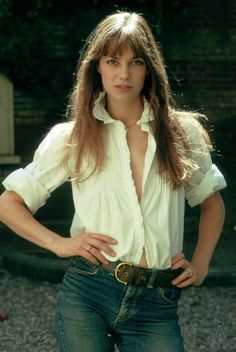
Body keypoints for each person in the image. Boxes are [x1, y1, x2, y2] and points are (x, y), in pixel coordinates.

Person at [0, 11, 226, 352]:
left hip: (157, 303)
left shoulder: (182, 133)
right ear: (97, 67)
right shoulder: (72, 137)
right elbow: (8, 204)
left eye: (135, 61)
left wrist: (201, 265)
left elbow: (212, 202)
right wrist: (59, 244)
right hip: (89, 293)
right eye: (112, 60)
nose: (123, 73)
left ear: (148, 68)